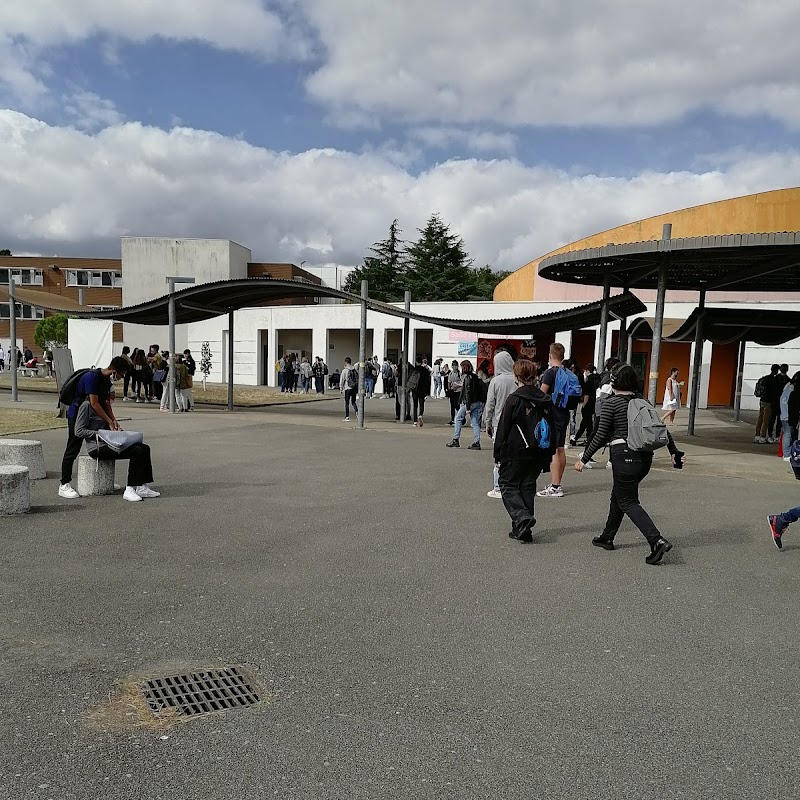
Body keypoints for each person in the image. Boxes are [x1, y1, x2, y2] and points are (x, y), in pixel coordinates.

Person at [575, 363, 684, 565]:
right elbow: (661, 429)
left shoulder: (611, 403)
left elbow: (600, 435)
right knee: (619, 495)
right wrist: (674, 452)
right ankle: (607, 537)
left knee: (628, 501)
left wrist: (584, 458)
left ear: (614, 381)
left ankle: (656, 540)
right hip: (644, 459)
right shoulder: (642, 402)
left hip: (624, 457)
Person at [493, 358, 554, 542]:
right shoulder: (545, 399)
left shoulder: (515, 399)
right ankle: (523, 530)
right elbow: (552, 427)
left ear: (517, 376)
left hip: (515, 450)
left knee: (507, 485)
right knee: (527, 486)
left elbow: (503, 428)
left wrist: (497, 453)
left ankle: (521, 518)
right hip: (538, 451)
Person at [58, 356, 130, 499]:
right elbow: (94, 403)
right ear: (114, 371)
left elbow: (106, 402)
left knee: (103, 443)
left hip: (96, 415)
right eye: (122, 374)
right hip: (78, 414)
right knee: (73, 447)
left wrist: (113, 420)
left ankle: (103, 479)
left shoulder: (106, 380)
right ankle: (64, 484)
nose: (121, 378)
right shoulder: (92, 377)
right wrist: (109, 421)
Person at [74, 392, 160, 503]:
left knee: (144, 448)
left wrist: (117, 431)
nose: (111, 396)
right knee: (137, 451)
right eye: (109, 393)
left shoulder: (104, 406)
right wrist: (100, 434)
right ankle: (130, 488)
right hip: (97, 447)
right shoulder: (86, 406)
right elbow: (79, 431)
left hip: (112, 442)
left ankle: (142, 486)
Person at [537, 343, 571, 497]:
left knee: (554, 450)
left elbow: (541, 394)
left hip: (553, 414)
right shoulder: (568, 373)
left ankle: (555, 487)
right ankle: (557, 481)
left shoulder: (550, 373)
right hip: (564, 414)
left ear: (551, 355)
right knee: (561, 448)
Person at [485, 349, 517, 498]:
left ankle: (498, 487)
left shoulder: (495, 381)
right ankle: (514, 484)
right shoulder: (517, 379)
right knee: (514, 455)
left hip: (499, 423)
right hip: (517, 424)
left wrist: (487, 422)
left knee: (499, 455)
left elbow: (490, 404)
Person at [446, 360, 484, 450]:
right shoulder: (475, 377)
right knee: (475, 422)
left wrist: (467, 407)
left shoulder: (467, 378)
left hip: (469, 402)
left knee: (458, 418)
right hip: (477, 402)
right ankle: (476, 442)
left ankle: (456, 439)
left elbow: (467, 393)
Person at [573, 364, 600, 445]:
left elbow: (587, 395)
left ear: (587, 371)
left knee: (585, 422)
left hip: (588, 404)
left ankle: (577, 438)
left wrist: (583, 405)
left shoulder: (589, 382)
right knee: (588, 423)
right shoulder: (597, 380)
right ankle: (589, 438)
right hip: (594, 403)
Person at [755, 365, 781, 443]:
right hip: (769, 402)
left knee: (760, 418)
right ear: (776, 370)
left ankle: (757, 435)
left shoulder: (765, 378)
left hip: (762, 400)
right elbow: (774, 392)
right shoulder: (774, 380)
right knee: (766, 420)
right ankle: (763, 436)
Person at [780, 371, 800, 460]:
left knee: (787, 434)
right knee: (788, 434)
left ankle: (787, 454)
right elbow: (792, 404)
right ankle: (787, 454)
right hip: (788, 415)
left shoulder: (787, 386)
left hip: (784, 414)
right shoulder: (793, 390)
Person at [770, 364, 791, 444]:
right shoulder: (786, 380)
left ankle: (776, 435)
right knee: (773, 420)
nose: (783, 370)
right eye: (783, 368)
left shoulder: (787, 380)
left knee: (778, 420)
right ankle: (771, 435)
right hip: (777, 402)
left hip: (780, 403)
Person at [409, 356, 432, 427]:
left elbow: (410, 379)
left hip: (415, 389)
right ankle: (420, 415)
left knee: (415, 405)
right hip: (422, 390)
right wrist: (427, 391)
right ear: (422, 362)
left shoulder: (413, 370)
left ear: (416, 362)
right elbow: (428, 381)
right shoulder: (425, 370)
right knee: (421, 403)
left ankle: (415, 421)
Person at [447, 360, 462, 426]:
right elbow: (449, 382)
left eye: (455, 365)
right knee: (452, 405)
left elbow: (462, 382)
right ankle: (452, 419)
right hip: (452, 391)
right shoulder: (451, 373)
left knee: (457, 405)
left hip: (458, 391)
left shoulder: (460, 373)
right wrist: (449, 389)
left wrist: (458, 385)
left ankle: (460, 418)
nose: (454, 367)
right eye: (453, 365)